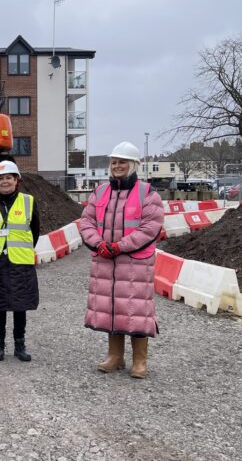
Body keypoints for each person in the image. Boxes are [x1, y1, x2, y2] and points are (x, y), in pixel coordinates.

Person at [79, 141, 164, 379]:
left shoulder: (148, 193)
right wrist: (99, 243)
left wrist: (120, 246)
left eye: (122, 162)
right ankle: (115, 356)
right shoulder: (100, 192)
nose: (117, 166)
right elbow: (86, 222)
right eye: (114, 162)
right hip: (106, 260)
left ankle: (140, 361)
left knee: (137, 310)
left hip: (134, 262)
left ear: (134, 165)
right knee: (111, 308)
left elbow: (150, 228)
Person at [0, 160, 40, 362]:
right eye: (1, 178)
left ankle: (19, 345)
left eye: (9, 178)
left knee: (20, 305)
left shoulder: (29, 202)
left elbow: (35, 232)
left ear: (16, 181)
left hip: (20, 262)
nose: (5, 182)